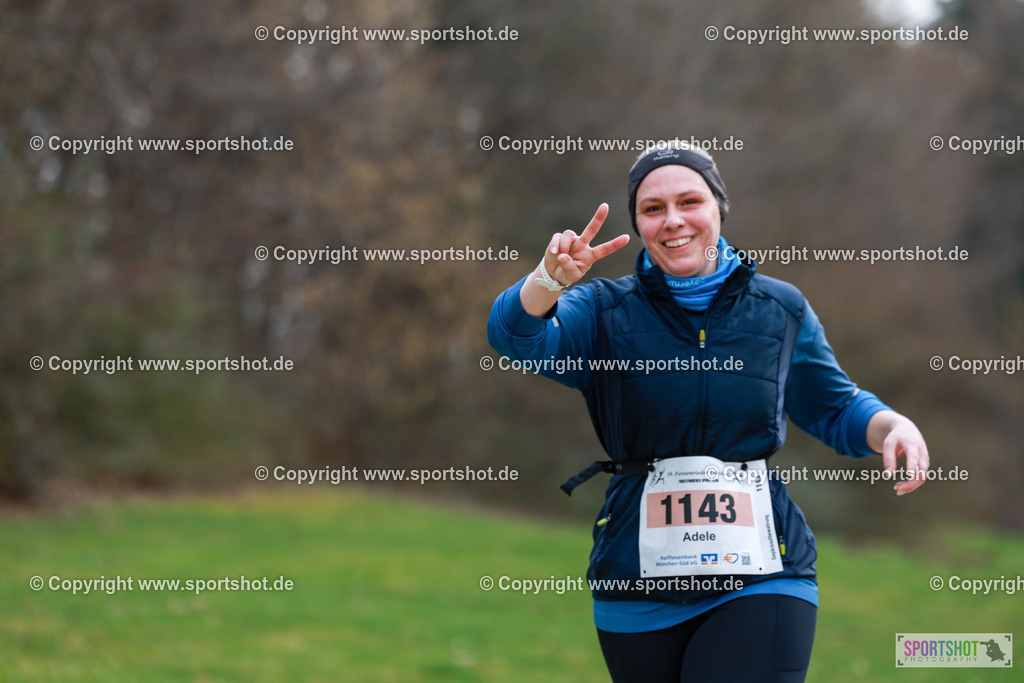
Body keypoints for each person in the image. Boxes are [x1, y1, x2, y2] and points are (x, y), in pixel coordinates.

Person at [487, 143, 930, 682]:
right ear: (639, 225)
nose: (673, 221)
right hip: (635, 580)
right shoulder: (602, 311)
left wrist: (894, 426)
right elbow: (513, 335)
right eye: (653, 209)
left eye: (690, 201)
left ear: (719, 207)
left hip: (764, 573)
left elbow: (834, 406)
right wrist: (548, 282)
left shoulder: (780, 308)